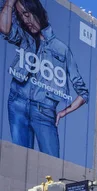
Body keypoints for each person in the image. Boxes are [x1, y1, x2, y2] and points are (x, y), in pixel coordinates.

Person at [0, 0, 89, 157]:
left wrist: (63, 113)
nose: (25, 21)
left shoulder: (62, 49)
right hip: (17, 104)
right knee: (19, 161)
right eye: (21, 16)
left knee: (51, 167)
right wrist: (10, 2)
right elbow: (5, 29)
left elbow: (83, 93)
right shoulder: (23, 37)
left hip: (45, 113)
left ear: (38, 12)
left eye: (27, 15)